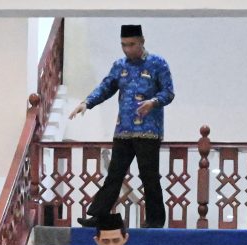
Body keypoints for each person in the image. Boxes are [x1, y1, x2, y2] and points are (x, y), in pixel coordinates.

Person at [70, 24, 174, 229]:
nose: (127, 49)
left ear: (142, 41)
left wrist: (153, 102)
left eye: (132, 44)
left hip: (148, 131)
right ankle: (98, 216)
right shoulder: (119, 66)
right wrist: (87, 103)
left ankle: (155, 221)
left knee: (149, 176)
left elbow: (168, 93)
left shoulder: (158, 64)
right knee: (115, 174)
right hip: (123, 130)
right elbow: (106, 87)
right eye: (124, 45)